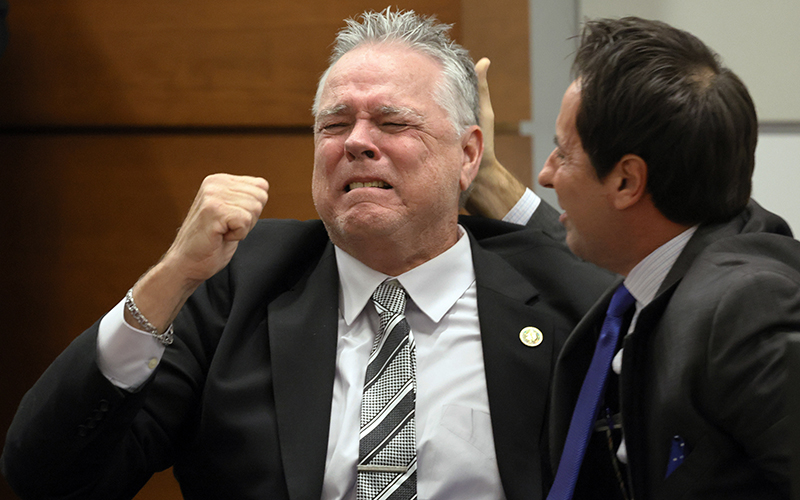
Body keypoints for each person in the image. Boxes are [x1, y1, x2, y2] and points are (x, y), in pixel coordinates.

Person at [1, 9, 612, 500]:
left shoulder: (558, 293)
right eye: (333, 124)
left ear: (469, 154)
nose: (357, 143)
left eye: (393, 122)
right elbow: (49, 478)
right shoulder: (238, 284)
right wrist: (170, 278)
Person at [533, 17, 800, 500]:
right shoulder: (653, 286)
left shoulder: (748, 305)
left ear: (627, 181)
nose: (546, 175)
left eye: (562, 153)